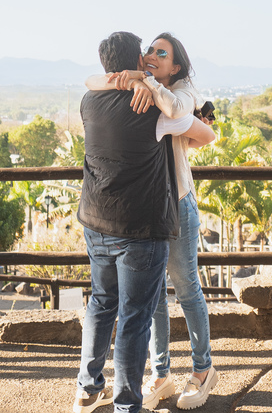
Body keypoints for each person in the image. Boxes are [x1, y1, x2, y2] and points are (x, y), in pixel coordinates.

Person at [74, 32, 216, 413]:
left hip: (173, 203)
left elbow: (207, 134)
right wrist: (140, 83)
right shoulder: (147, 103)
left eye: (160, 52)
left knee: (185, 290)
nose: (151, 56)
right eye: (148, 51)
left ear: (175, 65)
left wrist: (144, 85)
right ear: (135, 62)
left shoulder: (98, 102)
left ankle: (202, 369)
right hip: (146, 216)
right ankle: (160, 373)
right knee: (147, 305)